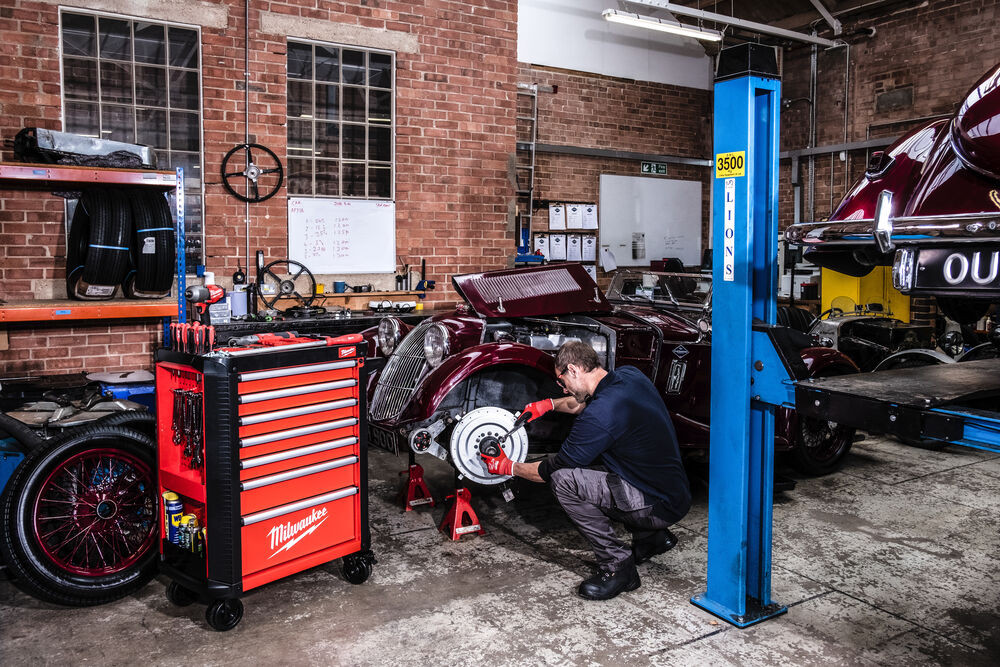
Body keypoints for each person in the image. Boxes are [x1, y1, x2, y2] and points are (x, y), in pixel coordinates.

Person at [480, 340, 691, 601]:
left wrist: (507, 466)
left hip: (655, 505)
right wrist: (548, 404)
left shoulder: (600, 415)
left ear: (573, 369)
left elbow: (548, 470)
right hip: (673, 491)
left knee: (564, 480)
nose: (562, 386)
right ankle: (651, 539)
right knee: (601, 464)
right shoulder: (628, 377)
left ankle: (619, 568)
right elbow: (583, 402)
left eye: (561, 381)